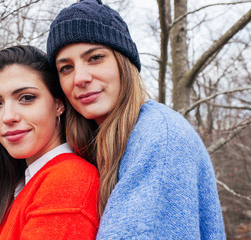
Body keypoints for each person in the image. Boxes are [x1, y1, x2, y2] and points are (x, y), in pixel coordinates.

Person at [46, 0, 226, 239]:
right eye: (66, 68)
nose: (80, 77)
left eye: (95, 57)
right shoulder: (92, 145)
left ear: (124, 63)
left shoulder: (160, 136)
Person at [0, 46, 99, 240]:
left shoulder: (68, 180)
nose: (8, 117)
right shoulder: (18, 185)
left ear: (58, 105)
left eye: (27, 98)